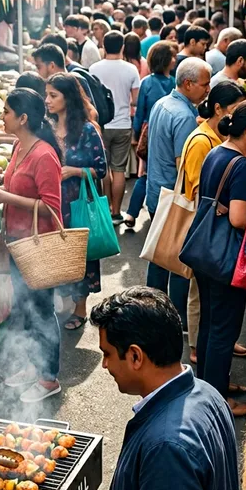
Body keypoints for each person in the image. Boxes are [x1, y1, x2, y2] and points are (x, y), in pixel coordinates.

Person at [92, 287, 242, 490]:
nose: (104, 365)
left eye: (107, 354)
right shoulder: (206, 392)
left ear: (135, 356)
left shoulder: (168, 446)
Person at [188, 99, 246, 417]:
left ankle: (211, 386)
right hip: (226, 257)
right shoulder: (240, 165)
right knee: (223, 329)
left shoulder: (216, 152)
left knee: (211, 325)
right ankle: (216, 400)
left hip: (206, 252)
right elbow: (239, 218)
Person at [0, 88, 63, 403]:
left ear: (23, 118)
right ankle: (33, 367)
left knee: (41, 310)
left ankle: (49, 378)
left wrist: (5, 197)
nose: (1, 117)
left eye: (5, 112)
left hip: (38, 245)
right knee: (24, 308)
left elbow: (51, 208)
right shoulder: (20, 147)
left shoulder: (44, 155)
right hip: (18, 242)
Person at [180, 81, 246, 369]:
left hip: (208, 237)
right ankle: (203, 359)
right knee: (210, 313)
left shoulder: (215, 144)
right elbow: (199, 194)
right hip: (211, 239)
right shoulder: (204, 142)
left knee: (211, 315)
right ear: (218, 109)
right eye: (235, 110)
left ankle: (209, 368)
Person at [145, 58, 211, 320]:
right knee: (178, 261)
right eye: (204, 84)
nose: (208, 90)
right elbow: (183, 165)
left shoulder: (163, 103)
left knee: (159, 257)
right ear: (188, 83)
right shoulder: (184, 116)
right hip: (174, 197)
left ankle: (151, 310)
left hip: (157, 192)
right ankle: (176, 317)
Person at [45, 73, 108, 331]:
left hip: (77, 202)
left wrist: (73, 171)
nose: (47, 100)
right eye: (47, 94)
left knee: (81, 255)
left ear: (67, 98)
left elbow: (101, 169)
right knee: (58, 253)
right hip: (52, 202)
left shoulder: (87, 130)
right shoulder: (46, 127)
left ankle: (80, 308)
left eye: (53, 95)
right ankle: (61, 301)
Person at [125, 41, 178, 229]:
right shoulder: (174, 82)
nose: (175, 60)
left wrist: (136, 133)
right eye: (172, 56)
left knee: (145, 173)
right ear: (165, 60)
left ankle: (131, 213)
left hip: (148, 130)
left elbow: (140, 112)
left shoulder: (146, 82)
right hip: (168, 131)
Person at [90, 31, 140, 222]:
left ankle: (105, 210)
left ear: (103, 45)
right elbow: (134, 100)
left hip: (100, 125)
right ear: (122, 47)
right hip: (122, 124)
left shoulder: (94, 69)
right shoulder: (131, 69)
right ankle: (116, 212)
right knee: (118, 169)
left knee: (103, 170)